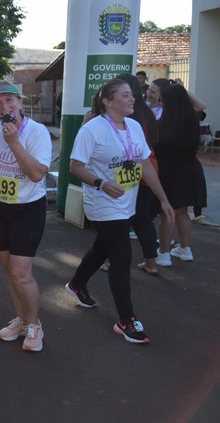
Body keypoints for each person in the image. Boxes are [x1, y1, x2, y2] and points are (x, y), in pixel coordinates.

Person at [65, 78, 174, 345]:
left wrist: (163, 199)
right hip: (102, 201)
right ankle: (126, 319)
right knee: (122, 255)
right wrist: (101, 183)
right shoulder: (92, 129)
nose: (133, 99)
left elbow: (145, 164)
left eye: (132, 95)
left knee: (103, 248)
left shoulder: (134, 126)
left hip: (128, 200)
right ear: (108, 101)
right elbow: (75, 166)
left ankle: (77, 284)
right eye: (126, 95)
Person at [0, 80, 50, 352]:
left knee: (20, 272)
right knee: (9, 270)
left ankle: (35, 325)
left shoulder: (37, 132)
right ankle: (22, 320)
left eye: (9, 101)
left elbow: (37, 173)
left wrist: (14, 143)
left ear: (19, 102)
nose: (5, 107)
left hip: (28, 208)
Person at [154, 83, 207, 266]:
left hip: (169, 171)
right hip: (191, 169)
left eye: (162, 99)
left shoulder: (162, 123)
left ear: (168, 102)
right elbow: (201, 105)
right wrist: (182, 90)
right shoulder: (192, 118)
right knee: (183, 212)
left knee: (166, 213)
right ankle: (185, 249)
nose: (160, 102)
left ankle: (163, 254)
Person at [113, 74, 161, 276]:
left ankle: (110, 261)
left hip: (128, 171)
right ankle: (151, 262)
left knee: (118, 219)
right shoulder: (147, 113)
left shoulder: (127, 116)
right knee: (142, 219)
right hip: (148, 170)